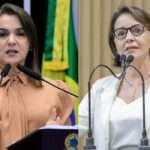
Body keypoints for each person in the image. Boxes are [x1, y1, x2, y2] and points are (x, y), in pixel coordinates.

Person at [0, 3, 74, 150]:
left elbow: (70, 145)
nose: (12, 41)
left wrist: (52, 139)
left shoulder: (55, 92)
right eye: (2, 34)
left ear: (31, 42)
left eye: (20, 34)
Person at [79, 5, 150, 150]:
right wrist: (55, 127)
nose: (129, 38)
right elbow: (74, 129)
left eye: (137, 30)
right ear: (114, 43)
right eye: (121, 33)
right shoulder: (100, 88)